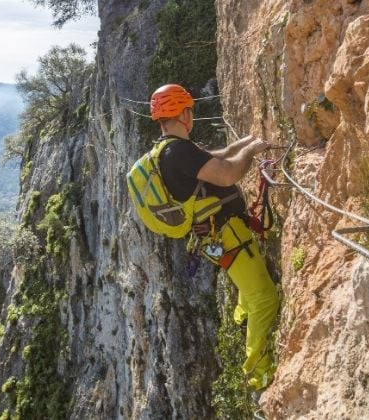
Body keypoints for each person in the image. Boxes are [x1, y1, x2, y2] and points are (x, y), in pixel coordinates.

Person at [150, 84, 279, 393]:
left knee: (248, 279)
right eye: (189, 111)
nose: (191, 116)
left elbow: (213, 159)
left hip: (218, 235)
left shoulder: (168, 150)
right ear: (184, 113)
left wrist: (242, 144)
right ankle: (257, 371)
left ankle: (240, 314)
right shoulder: (177, 151)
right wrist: (251, 151)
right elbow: (226, 175)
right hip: (228, 233)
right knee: (265, 298)